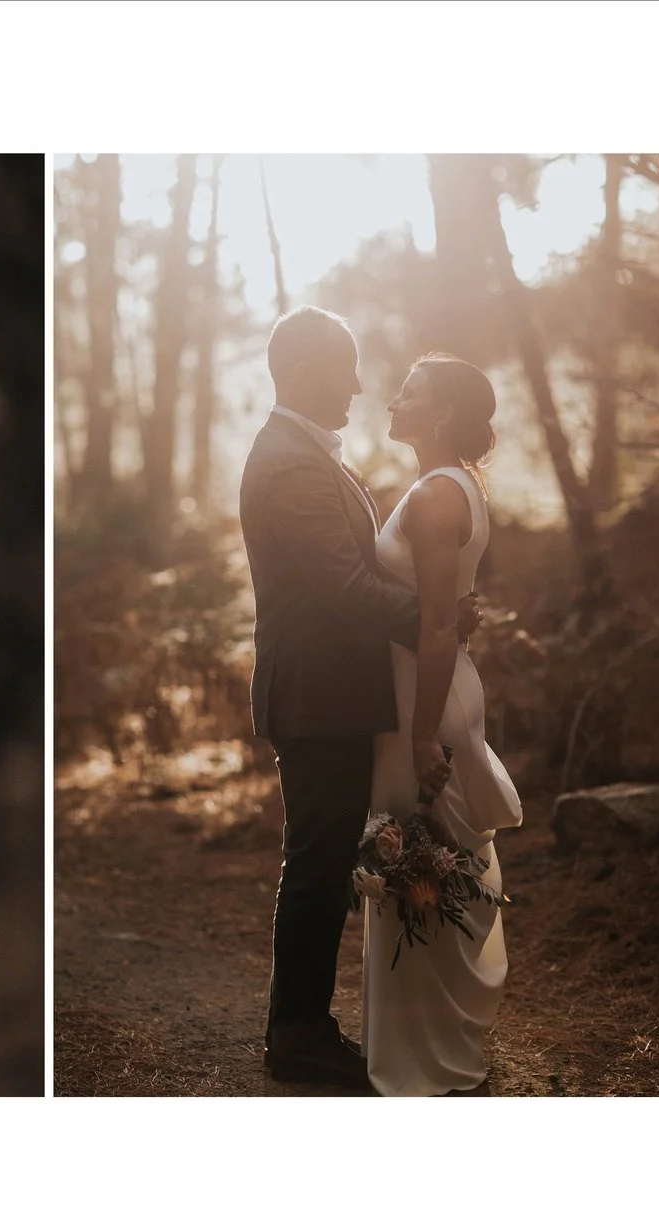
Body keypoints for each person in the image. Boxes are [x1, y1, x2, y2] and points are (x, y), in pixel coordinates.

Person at [235, 306, 481, 1090]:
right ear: (307, 371)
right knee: (315, 864)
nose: (358, 383)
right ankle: (297, 1034)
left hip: (333, 693)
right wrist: (432, 620)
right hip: (317, 696)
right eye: (345, 366)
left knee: (322, 858)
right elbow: (343, 587)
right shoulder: (290, 463)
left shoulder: (307, 456)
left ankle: (303, 1024)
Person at [358, 352, 523, 1096]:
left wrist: (423, 735)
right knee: (419, 858)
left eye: (410, 392)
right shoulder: (448, 487)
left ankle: (435, 1060)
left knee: (425, 857)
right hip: (425, 689)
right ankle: (428, 1050)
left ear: (444, 414)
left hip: (425, 700)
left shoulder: (436, 496)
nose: (393, 399)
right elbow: (449, 611)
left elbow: (433, 625)